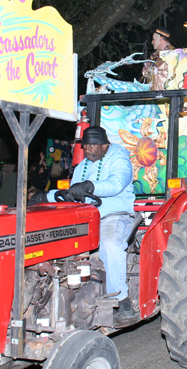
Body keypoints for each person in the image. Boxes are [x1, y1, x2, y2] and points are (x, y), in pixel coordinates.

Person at [48, 126, 136, 320]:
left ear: (105, 146)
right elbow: (72, 193)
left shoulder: (119, 159)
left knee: (110, 244)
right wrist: (47, 196)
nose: (87, 149)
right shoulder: (82, 167)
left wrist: (90, 186)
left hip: (113, 215)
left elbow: (116, 183)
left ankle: (121, 298)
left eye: (92, 145)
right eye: (85, 145)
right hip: (86, 217)